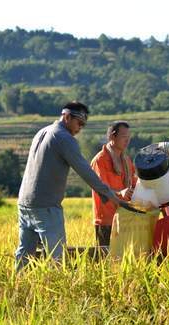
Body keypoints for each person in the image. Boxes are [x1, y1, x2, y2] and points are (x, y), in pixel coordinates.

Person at [14, 101, 125, 271]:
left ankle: (17, 287)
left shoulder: (42, 132)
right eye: (79, 123)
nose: (80, 128)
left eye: (83, 125)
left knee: (25, 253)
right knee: (56, 257)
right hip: (46, 206)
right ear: (66, 116)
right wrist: (111, 195)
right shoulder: (64, 138)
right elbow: (85, 171)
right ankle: (55, 294)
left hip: (25, 202)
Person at [90, 121, 137, 247]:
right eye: (123, 137)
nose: (127, 141)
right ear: (112, 137)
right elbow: (100, 188)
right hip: (106, 220)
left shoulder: (127, 161)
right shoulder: (100, 160)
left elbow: (134, 183)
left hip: (124, 218)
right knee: (105, 260)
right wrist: (120, 192)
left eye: (128, 138)